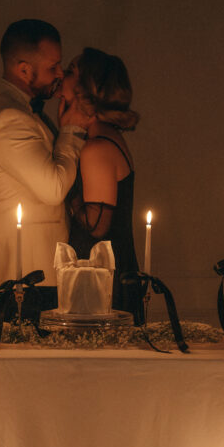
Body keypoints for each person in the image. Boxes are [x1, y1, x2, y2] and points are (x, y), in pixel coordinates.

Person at [0, 19, 92, 320]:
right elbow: (53, 189)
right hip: (21, 278)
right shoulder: (9, 119)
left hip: (34, 276)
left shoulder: (20, 111)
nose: (60, 74)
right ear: (24, 69)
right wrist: (72, 131)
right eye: (53, 67)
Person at [59, 47, 141, 313]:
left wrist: (64, 189)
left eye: (71, 71)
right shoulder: (107, 138)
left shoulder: (96, 148)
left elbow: (96, 225)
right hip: (110, 274)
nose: (61, 75)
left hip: (102, 283)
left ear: (86, 88)